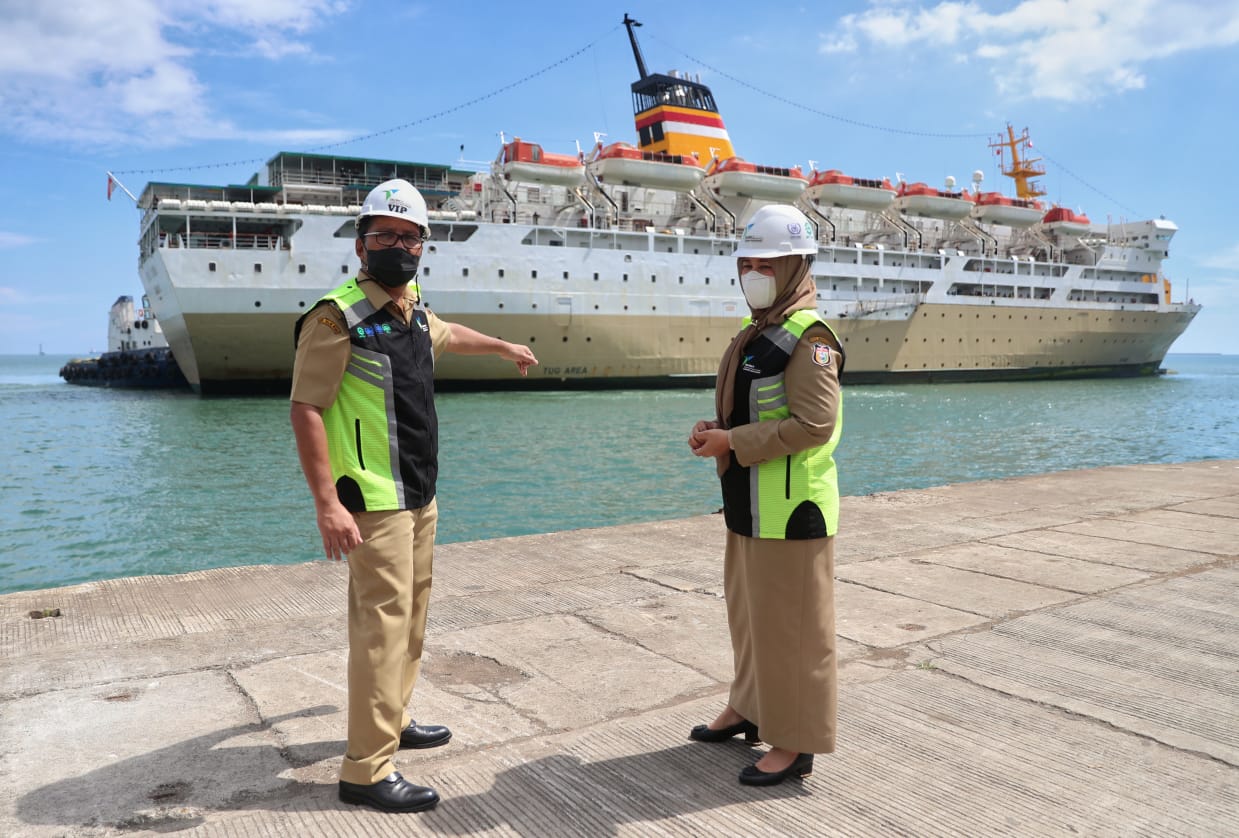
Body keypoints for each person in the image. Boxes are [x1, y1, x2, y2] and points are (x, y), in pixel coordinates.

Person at [290, 179, 537, 813]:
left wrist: (503, 347)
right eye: (385, 236)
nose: (398, 247)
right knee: (382, 628)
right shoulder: (336, 317)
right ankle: (366, 769)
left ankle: (394, 720)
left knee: (412, 619)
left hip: (419, 494)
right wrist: (327, 504)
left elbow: (446, 334)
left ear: (423, 246)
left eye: (409, 237)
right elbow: (306, 408)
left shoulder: (411, 308)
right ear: (361, 244)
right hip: (373, 499)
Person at [687, 204, 845, 787]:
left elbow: (815, 425)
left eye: (767, 264)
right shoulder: (758, 331)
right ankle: (749, 707)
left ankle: (796, 740)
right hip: (749, 505)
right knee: (751, 620)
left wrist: (733, 441)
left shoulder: (810, 338)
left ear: (796, 266)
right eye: (747, 263)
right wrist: (716, 429)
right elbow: (755, 410)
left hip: (792, 510)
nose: (753, 274)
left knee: (795, 633)